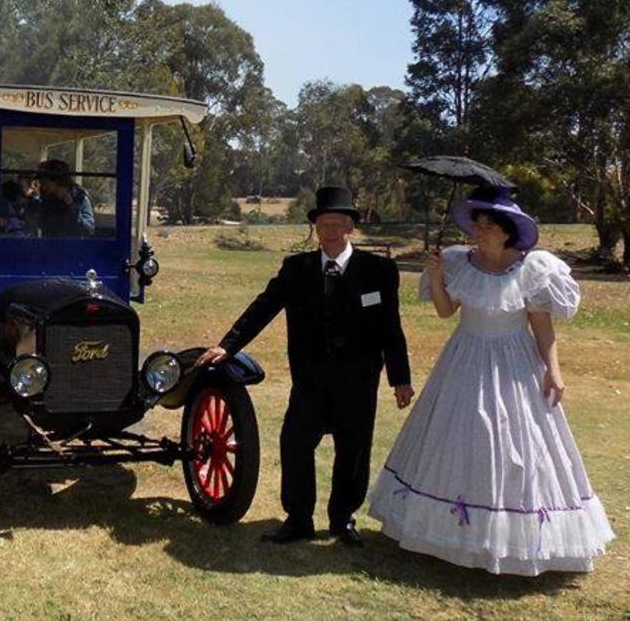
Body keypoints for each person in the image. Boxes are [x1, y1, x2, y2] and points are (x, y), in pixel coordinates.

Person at [368, 187, 613, 575]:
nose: (478, 231)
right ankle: (451, 534)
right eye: (477, 224)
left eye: (487, 225)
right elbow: (447, 313)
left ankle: (515, 536)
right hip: (464, 358)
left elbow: (542, 328)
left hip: (515, 361)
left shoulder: (532, 269)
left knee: (517, 444)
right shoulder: (458, 262)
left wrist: (554, 369)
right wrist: (436, 278)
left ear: (506, 232)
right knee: (462, 435)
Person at [198, 186, 413, 547]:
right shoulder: (295, 269)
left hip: (357, 381)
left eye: (337, 224)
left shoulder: (378, 271)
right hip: (310, 379)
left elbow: (390, 327)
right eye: (323, 224)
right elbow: (263, 307)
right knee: (294, 444)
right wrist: (228, 345)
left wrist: (400, 379)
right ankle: (298, 519)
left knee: (353, 451)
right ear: (315, 228)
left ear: (350, 229)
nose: (329, 231)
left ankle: (342, 519)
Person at [34, 159, 95, 238]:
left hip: (72, 247)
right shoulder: (47, 199)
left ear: (57, 180)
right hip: (50, 246)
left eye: (45, 182)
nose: (42, 185)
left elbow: (89, 229)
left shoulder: (79, 197)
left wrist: (71, 207)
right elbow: (40, 224)